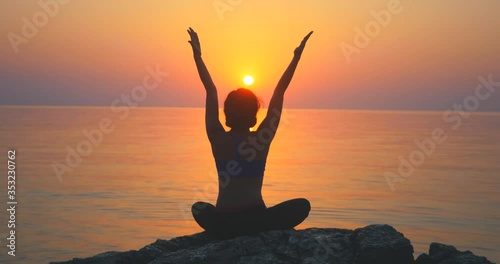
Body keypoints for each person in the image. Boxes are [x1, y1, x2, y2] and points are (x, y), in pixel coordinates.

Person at [187, 27, 313, 238]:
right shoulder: (261, 139)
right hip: (256, 220)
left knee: (198, 207)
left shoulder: (218, 137)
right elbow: (279, 92)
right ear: (254, 114)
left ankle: (224, 230)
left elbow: (210, 90)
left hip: (223, 220)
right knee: (302, 205)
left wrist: (198, 57)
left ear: (226, 113)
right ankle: (257, 228)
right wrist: (296, 58)